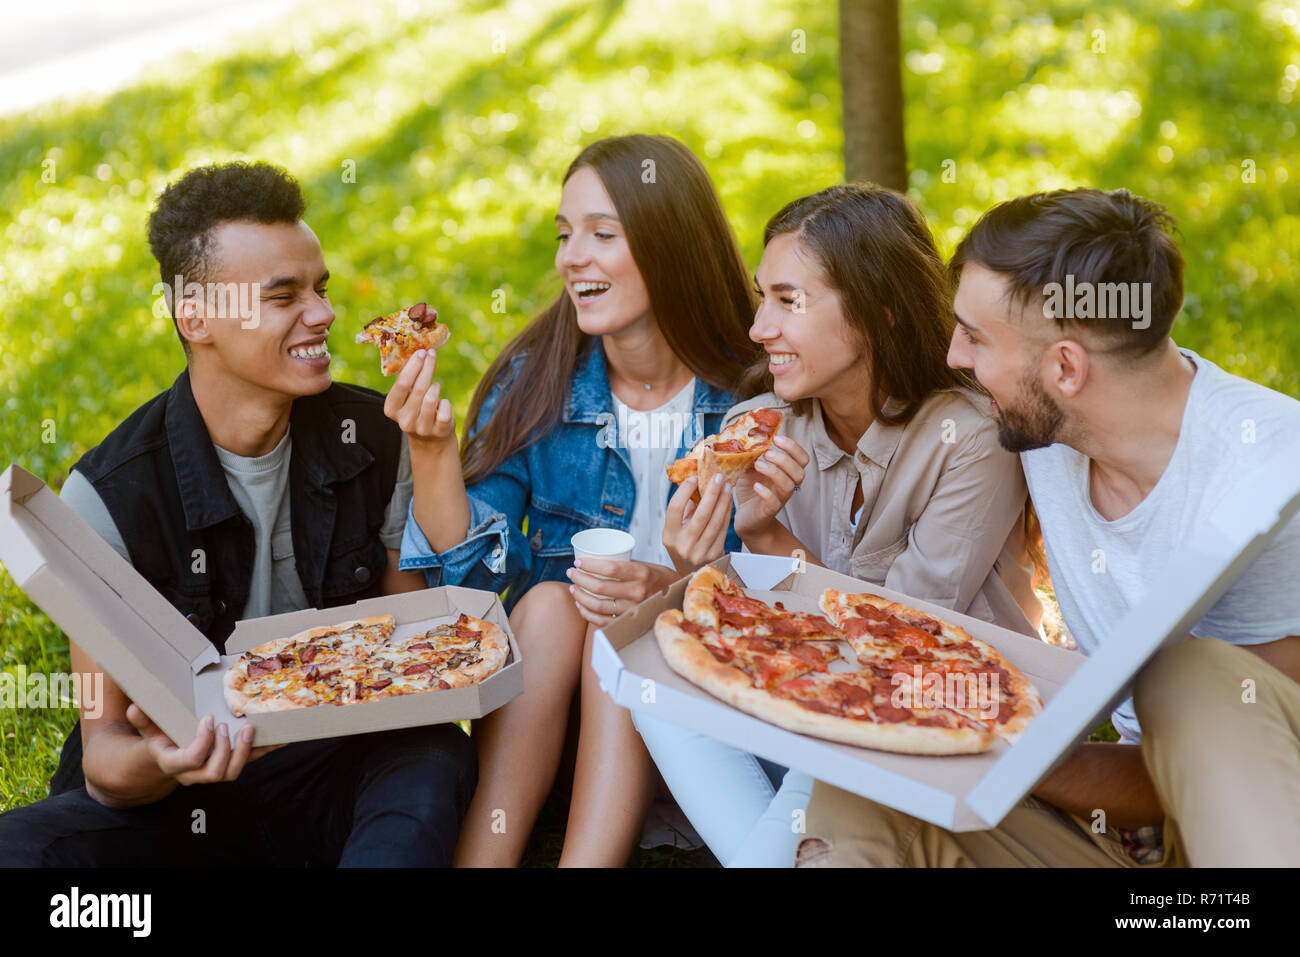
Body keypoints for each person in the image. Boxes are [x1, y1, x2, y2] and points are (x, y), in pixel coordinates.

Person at [797, 187, 1300, 868]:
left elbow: (1244, 762)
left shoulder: (1271, 475)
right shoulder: (1041, 436)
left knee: (1194, 676)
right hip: (1129, 833)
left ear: (1066, 366)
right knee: (864, 787)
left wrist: (1008, 742)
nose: (954, 356)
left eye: (974, 337)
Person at [0, 161, 476, 867]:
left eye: (320, 289)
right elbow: (105, 756)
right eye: (284, 297)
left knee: (433, 756)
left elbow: (419, 647)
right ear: (195, 316)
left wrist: (434, 452)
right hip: (180, 804)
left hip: (333, 770)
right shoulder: (107, 498)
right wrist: (167, 759)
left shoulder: (374, 435)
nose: (322, 314)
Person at [632, 183, 1044, 866]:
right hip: (812, 711)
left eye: (789, 301)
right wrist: (693, 567)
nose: (759, 328)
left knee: (837, 727)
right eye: (764, 297)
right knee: (655, 673)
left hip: (951, 720)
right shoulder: (754, 431)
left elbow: (892, 646)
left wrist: (769, 540)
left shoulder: (969, 441)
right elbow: (753, 639)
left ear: (879, 312)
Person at [393, 134, 761, 866]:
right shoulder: (538, 380)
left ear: (670, 243)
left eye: (602, 234)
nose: (572, 258)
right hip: (565, 730)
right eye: (565, 236)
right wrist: (431, 454)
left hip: (715, 710)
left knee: (626, 623)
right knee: (558, 606)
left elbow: (782, 592)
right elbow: (474, 592)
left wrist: (667, 590)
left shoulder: (753, 398)